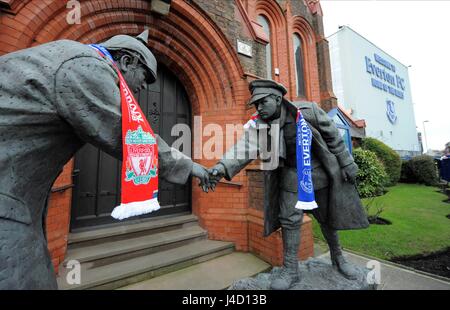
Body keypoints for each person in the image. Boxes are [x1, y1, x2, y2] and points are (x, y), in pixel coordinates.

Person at [0, 30, 209, 289]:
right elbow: (131, 137)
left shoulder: (73, 57)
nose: (144, 87)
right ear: (127, 61)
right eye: (145, 77)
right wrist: (191, 167)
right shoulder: (85, 66)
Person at [209, 80, 369, 290]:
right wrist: (221, 167)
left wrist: (347, 162)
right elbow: (245, 148)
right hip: (291, 176)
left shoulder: (308, 111)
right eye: (256, 104)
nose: (259, 108)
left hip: (320, 173)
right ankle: (291, 268)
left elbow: (333, 137)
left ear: (277, 99)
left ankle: (338, 257)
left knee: (328, 218)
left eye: (262, 102)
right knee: (289, 220)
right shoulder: (261, 125)